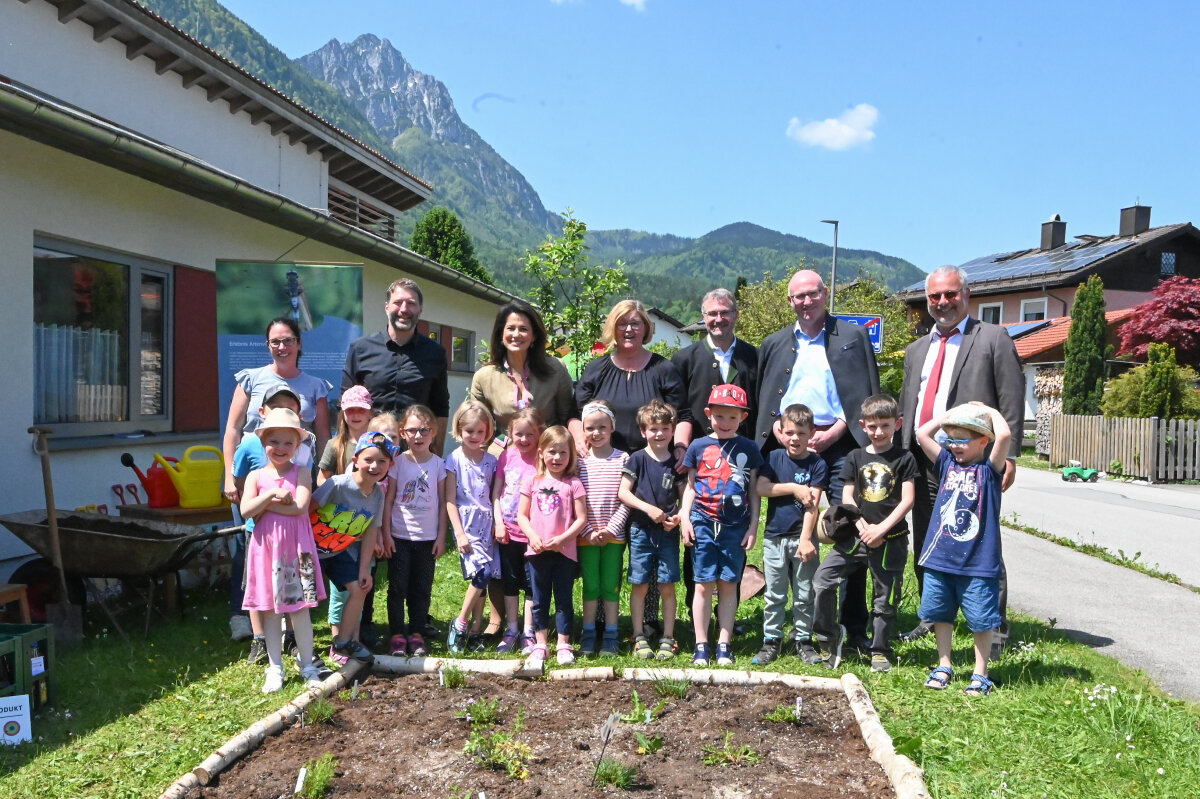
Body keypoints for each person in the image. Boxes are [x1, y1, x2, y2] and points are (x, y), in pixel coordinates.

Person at [898, 265, 1024, 648]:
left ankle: (994, 626)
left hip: (974, 462)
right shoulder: (916, 348)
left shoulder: (993, 338)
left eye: (950, 294)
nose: (942, 302)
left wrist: (1011, 454)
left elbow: (1012, 397)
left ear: (966, 295)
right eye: (935, 296)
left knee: (981, 539)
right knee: (928, 538)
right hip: (924, 459)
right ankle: (934, 616)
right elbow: (911, 401)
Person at [756, 269, 879, 651]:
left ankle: (853, 622)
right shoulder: (774, 343)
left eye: (812, 294)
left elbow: (866, 391)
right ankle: (788, 621)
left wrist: (842, 428)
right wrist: (776, 426)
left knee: (851, 525)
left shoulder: (853, 337)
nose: (805, 302)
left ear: (825, 294)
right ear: (790, 301)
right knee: (787, 523)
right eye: (798, 296)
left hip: (838, 441)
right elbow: (764, 394)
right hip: (787, 442)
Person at [812, 395, 917, 673]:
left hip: (890, 540)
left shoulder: (904, 458)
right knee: (823, 580)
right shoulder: (855, 456)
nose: (878, 432)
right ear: (862, 426)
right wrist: (862, 527)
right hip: (856, 538)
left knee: (885, 599)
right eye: (872, 426)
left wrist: (881, 529)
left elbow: (907, 500)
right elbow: (847, 494)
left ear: (898, 423)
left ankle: (880, 650)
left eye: (885, 425)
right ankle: (828, 637)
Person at [671, 288, 759, 617]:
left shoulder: (753, 357)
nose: (718, 319)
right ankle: (696, 616)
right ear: (703, 317)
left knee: (735, 536)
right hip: (698, 462)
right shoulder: (685, 359)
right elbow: (679, 410)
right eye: (711, 314)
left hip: (739, 463)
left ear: (735, 315)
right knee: (696, 532)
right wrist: (682, 449)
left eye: (724, 312)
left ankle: (728, 617)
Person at [914, 403, 1011, 697]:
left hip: (977, 562)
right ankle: (944, 664)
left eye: (962, 440)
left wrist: (988, 411)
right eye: (950, 439)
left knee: (981, 619)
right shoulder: (946, 463)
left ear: (983, 441)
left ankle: (980, 674)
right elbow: (921, 434)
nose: (954, 446)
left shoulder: (989, 470)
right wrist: (952, 415)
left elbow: (1004, 435)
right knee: (941, 614)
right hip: (940, 558)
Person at [229, 386, 320, 667]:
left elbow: (300, 507)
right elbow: (245, 510)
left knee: (301, 608)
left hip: (299, 548)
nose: (280, 448)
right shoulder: (256, 476)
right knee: (269, 609)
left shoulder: (302, 472)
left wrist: (264, 506)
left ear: (296, 446)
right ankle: (275, 667)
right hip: (266, 550)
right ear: (264, 442)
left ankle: (307, 664)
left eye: (287, 443)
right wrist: (268, 496)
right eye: (274, 442)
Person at [681, 384, 763, 667]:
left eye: (732, 417)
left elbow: (753, 491)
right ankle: (701, 644)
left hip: (735, 526)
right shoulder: (698, 446)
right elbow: (690, 487)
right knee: (703, 584)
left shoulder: (749, 448)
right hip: (703, 522)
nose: (725, 423)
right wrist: (684, 518)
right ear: (708, 414)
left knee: (729, 584)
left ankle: (724, 644)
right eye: (719, 416)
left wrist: (753, 526)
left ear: (742, 417)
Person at [223, 316, 332, 508]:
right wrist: (229, 478)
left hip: (297, 481)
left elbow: (323, 437)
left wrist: (324, 479)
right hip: (249, 478)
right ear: (268, 345)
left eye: (288, 340)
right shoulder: (250, 379)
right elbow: (233, 429)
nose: (282, 347)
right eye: (275, 342)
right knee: (249, 534)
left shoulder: (316, 387)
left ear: (299, 343)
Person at [752, 403, 827, 666]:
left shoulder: (817, 464)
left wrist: (807, 539)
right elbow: (762, 488)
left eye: (802, 433)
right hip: (774, 538)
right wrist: (794, 487)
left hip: (802, 539)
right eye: (790, 433)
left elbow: (812, 505)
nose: (795, 438)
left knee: (805, 592)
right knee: (775, 594)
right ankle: (771, 639)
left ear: (812, 433)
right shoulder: (773, 459)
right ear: (781, 433)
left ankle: (803, 639)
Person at [310, 431, 392, 665]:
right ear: (355, 461)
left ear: (390, 465)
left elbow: (370, 533)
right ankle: (301, 646)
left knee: (359, 589)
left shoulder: (378, 495)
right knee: (305, 600)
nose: (375, 466)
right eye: (369, 460)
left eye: (382, 461)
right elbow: (307, 511)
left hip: (338, 552)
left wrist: (365, 569)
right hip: (310, 550)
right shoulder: (336, 485)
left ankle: (344, 642)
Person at [342, 279, 450, 453]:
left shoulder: (435, 353)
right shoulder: (360, 349)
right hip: (371, 455)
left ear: (420, 309)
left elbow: (440, 408)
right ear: (387, 307)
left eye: (411, 304)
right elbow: (345, 403)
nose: (404, 309)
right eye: (398, 302)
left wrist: (436, 454)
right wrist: (345, 450)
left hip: (415, 454)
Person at [572, 299, 689, 455]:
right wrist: (579, 439)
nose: (628, 329)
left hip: (653, 462)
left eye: (635, 323)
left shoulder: (664, 369)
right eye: (622, 324)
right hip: (603, 465)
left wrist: (681, 447)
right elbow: (575, 414)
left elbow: (682, 415)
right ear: (613, 328)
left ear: (645, 328)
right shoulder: (596, 369)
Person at [619, 400, 685, 661]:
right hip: (641, 530)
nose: (659, 434)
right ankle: (639, 635)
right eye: (653, 429)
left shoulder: (675, 463)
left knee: (667, 585)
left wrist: (679, 516)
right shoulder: (637, 459)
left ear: (673, 430)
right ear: (643, 431)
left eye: (665, 428)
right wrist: (648, 509)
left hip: (668, 532)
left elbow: (683, 496)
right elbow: (623, 492)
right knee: (640, 584)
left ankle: (669, 636)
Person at [518, 425, 588, 668]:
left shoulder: (574, 484)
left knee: (563, 598)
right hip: (536, 551)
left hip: (564, 552)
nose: (557, 458)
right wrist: (533, 536)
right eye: (552, 452)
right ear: (541, 453)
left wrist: (563, 539)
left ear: (571, 456)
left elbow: (581, 519)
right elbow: (522, 516)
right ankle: (540, 643)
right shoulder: (531, 482)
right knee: (539, 598)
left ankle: (564, 644)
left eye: (563, 453)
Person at [380, 404, 446, 657]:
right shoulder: (397, 463)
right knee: (397, 588)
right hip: (400, 537)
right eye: (412, 430)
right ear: (403, 433)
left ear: (434, 433)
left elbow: (442, 504)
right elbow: (388, 500)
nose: (418, 436)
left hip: (427, 539)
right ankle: (397, 634)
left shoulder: (439, 465)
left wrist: (441, 536)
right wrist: (386, 534)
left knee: (421, 588)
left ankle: (417, 633)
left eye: (424, 430)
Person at [470, 298, 578, 430]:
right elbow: (477, 426)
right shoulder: (483, 377)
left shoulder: (555, 369)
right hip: (501, 450)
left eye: (523, 329)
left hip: (546, 448)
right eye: (510, 328)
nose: (516, 334)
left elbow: (567, 418)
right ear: (501, 334)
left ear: (534, 336)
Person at [445, 401, 500, 654]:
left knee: (484, 579)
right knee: (482, 573)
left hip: (486, 523)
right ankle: (460, 623)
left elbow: (493, 494)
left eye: (480, 432)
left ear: (487, 431)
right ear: (459, 429)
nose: (474, 437)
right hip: (466, 524)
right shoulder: (454, 459)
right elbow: (450, 500)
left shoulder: (491, 461)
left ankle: (476, 632)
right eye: (469, 431)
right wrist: (458, 532)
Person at [577, 400, 630, 657]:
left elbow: (626, 500)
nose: (595, 433)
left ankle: (611, 633)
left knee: (611, 585)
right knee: (590, 585)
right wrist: (587, 530)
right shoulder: (578, 462)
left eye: (601, 427)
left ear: (612, 428)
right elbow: (573, 500)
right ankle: (588, 633)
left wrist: (611, 529)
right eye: (590, 428)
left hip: (614, 537)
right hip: (586, 537)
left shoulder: (623, 459)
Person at [492, 408, 544, 654]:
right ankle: (512, 628)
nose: (524, 439)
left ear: (539, 434)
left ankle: (529, 632)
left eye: (530, 435)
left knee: (532, 583)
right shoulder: (506, 456)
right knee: (510, 581)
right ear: (510, 433)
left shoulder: (543, 459)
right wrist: (498, 522)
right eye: (519, 434)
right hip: (509, 531)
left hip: (534, 533)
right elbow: (496, 492)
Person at [317, 385, 375, 485]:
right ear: (343, 413)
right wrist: (340, 489)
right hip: (341, 499)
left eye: (361, 410)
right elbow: (321, 480)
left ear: (371, 413)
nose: (356, 415)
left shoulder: (378, 442)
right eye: (350, 410)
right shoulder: (334, 444)